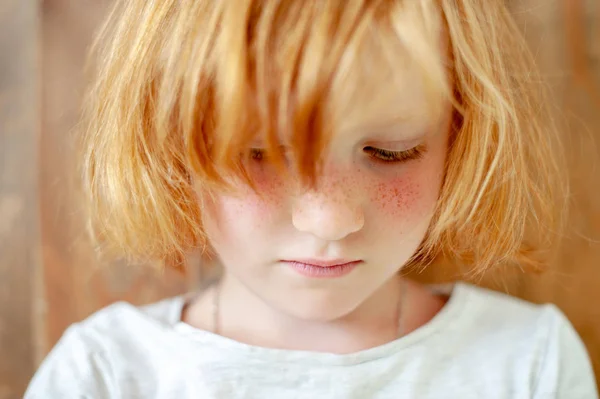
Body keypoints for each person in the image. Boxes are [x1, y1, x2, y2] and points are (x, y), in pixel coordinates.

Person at [26, 0, 598, 397]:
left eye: (391, 152)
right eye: (260, 155)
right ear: (171, 144)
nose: (329, 218)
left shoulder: (528, 364)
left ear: (459, 140)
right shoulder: (104, 374)